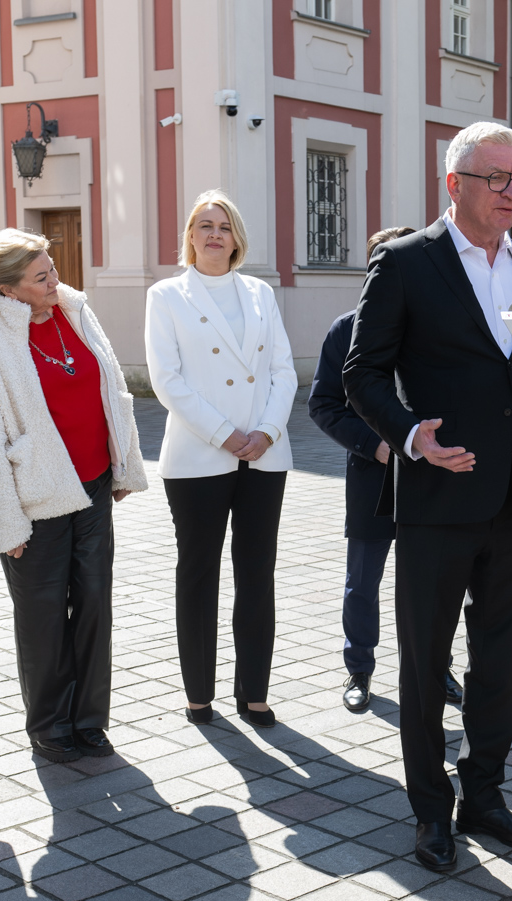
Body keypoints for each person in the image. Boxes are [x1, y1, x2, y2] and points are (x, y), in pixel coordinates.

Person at [344, 121, 512, 871]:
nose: (511, 193)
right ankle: (431, 810)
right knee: (427, 664)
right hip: (435, 491)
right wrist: (410, 435)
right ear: (454, 183)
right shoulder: (405, 263)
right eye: (497, 178)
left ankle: (484, 795)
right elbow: (361, 372)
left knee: (500, 658)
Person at [0, 229, 148, 764]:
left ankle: (89, 720)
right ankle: (49, 722)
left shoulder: (77, 311)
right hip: (33, 501)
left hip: (93, 486)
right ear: (9, 289)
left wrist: (124, 462)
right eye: (42, 276)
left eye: (53, 268)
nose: (55, 280)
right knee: (41, 616)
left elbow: (113, 389)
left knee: (93, 608)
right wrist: (3, 524)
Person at [146, 191, 296, 729]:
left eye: (224, 227)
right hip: (197, 458)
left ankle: (253, 690)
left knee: (257, 574)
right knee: (199, 573)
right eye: (205, 225)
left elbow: (284, 370)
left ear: (237, 238)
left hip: (264, 453)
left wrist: (267, 431)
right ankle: (198, 694)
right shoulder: (167, 295)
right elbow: (167, 380)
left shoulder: (258, 292)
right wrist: (226, 434)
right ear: (189, 236)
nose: (214, 235)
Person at [307, 225, 466, 713]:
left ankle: (435, 668)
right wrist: (375, 445)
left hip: (432, 474)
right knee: (364, 581)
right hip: (374, 474)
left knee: (434, 581)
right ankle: (359, 669)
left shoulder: (440, 326)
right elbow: (323, 405)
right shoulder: (346, 331)